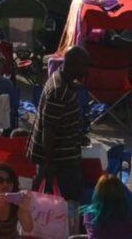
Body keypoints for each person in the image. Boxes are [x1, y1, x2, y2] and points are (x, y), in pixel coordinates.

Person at [28, 46, 91, 207]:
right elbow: (49, 131)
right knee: (65, 205)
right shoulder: (59, 90)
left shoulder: (65, 83)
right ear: (73, 65)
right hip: (60, 162)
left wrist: (77, 136)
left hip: (64, 157)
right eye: (84, 65)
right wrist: (49, 165)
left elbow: (61, 121)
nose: (87, 69)